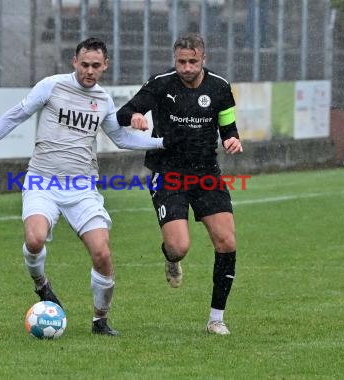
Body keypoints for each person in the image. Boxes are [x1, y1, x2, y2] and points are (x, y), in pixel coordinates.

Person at [0, 37, 175, 336]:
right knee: (35, 239)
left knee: (102, 253)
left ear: (105, 66)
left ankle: (100, 320)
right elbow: (16, 115)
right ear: (74, 62)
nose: (89, 71)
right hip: (42, 181)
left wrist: (162, 142)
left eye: (96, 66)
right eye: (85, 64)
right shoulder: (52, 86)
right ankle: (42, 286)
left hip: (82, 187)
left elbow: (120, 138)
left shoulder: (103, 100)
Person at [116, 32, 243, 335]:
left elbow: (228, 128)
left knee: (226, 242)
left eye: (192, 62)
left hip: (206, 174)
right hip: (169, 173)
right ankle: (171, 258)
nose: (186, 67)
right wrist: (134, 116)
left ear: (204, 59)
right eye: (181, 61)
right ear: (175, 60)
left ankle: (216, 319)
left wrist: (232, 140)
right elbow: (123, 113)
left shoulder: (220, 87)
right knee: (179, 246)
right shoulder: (160, 84)